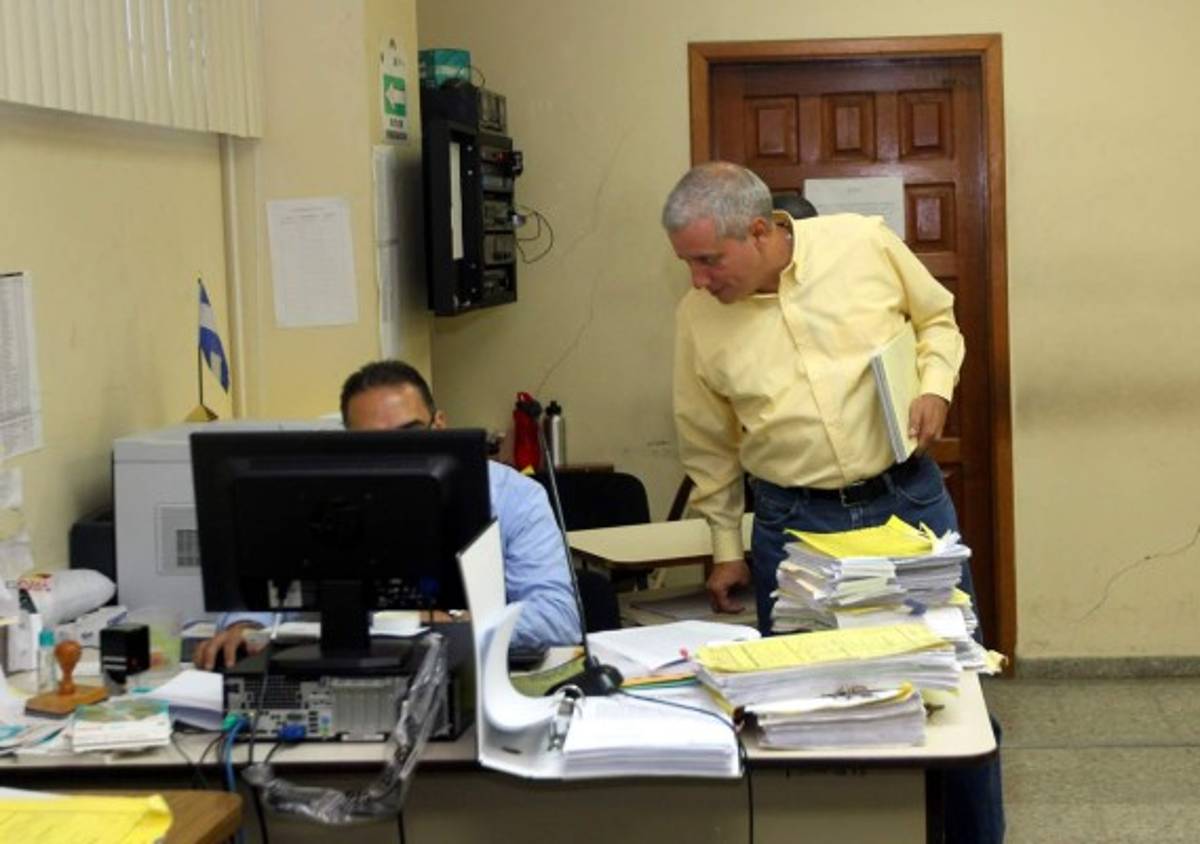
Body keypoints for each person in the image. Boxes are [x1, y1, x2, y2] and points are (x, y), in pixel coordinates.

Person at [662, 161, 1002, 843]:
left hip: (904, 504)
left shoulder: (862, 244)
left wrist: (935, 385)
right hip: (793, 525)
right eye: (688, 264)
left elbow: (939, 320)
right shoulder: (698, 319)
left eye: (707, 259)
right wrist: (726, 551)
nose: (699, 278)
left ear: (759, 232)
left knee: (950, 689)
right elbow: (708, 447)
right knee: (798, 712)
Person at [194, 359, 581, 670]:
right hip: (346, 676)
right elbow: (261, 584)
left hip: (472, 680)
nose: (399, 453)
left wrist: (461, 624)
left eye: (411, 433)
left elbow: (558, 618)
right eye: (376, 442)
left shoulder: (514, 497)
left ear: (440, 427)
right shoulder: (322, 499)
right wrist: (246, 627)